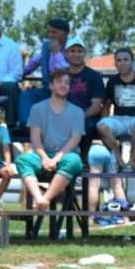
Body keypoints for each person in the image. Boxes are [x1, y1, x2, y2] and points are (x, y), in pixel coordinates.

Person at [94, 47, 135, 216]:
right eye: (119, 60)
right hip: (119, 118)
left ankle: (131, 162)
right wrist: (104, 119)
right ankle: (119, 156)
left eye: (125, 59)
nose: (122, 63)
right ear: (115, 63)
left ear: (132, 61)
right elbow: (107, 106)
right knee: (101, 126)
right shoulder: (113, 82)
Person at [15, 69, 84, 210]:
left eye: (66, 83)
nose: (63, 85)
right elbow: (35, 138)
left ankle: (44, 199)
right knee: (22, 160)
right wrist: (45, 158)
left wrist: (56, 159)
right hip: (44, 156)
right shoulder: (37, 108)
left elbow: (75, 139)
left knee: (74, 161)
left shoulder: (77, 111)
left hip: (66, 157)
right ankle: (38, 197)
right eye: (59, 82)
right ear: (51, 86)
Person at [63, 36, 105, 143]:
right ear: (66, 54)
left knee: (84, 125)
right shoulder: (60, 75)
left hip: (87, 116)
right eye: (72, 51)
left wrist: (78, 117)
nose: (76, 54)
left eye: (79, 51)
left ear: (84, 54)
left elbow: (96, 107)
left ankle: (83, 158)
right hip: (64, 115)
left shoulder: (94, 76)